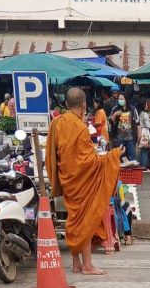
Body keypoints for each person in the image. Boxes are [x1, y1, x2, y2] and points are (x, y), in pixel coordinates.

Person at [46, 86, 122, 276]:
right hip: (82, 181)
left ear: (66, 103)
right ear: (84, 105)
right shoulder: (80, 127)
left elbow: (52, 154)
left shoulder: (57, 123)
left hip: (68, 180)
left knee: (73, 219)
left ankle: (76, 263)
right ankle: (87, 265)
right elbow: (89, 161)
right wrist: (112, 156)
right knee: (85, 220)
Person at [109, 92, 138, 163]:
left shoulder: (132, 109)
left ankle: (131, 169)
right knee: (119, 156)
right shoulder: (115, 109)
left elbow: (137, 122)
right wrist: (115, 114)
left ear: (126, 100)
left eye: (122, 99)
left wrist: (139, 134)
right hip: (119, 137)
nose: (120, 100)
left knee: (132, 157)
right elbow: (110, 121)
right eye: (119, 99)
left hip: (130, 138)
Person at [136, 99, 150, 169]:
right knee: (145, 150)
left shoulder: (138, 112)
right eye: (146, 104)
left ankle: (141, 166)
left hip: (140, 131)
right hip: (145, 132)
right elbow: (147, 124)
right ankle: (144, 166)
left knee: (142, 150)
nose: (146, 106)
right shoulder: (144, 113)